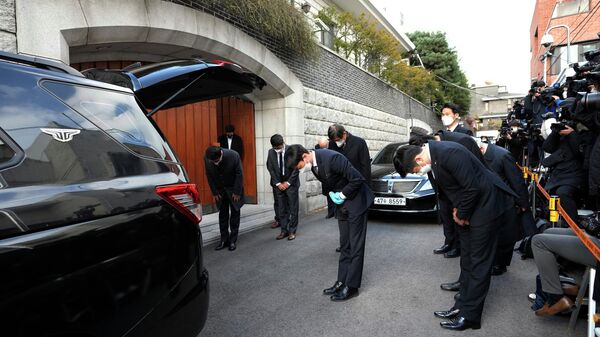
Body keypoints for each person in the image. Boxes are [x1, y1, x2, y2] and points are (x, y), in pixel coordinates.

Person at [394, 141, 516, 330]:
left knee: (478, 264)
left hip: (486, 209)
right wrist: (459, 212)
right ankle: (461, 306)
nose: (419, 172)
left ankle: (471, 317)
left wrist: (461, 214)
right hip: (469, 210)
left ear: (418, 158)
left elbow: (472, 187)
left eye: (415, 170)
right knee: (466, 259)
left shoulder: (449, 152)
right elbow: (456, 189)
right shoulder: (435, 157)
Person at [285, 145, 374, 301]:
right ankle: (341, 281)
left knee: (355, 246)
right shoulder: (314, 165)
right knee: (345, 245)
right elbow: (330, 182)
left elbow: (357, 178)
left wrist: (342, 194)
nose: (297, 169)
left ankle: (352, 287)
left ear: (305, 156)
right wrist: (333, 195)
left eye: (296, 166)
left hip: (356, 202)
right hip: (343, 206)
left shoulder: (332, 158)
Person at [480, 141, 531, 276]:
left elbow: (517, 181)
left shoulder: (503, 156)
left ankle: (500, 264)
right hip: (494, 202)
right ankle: (496, 262)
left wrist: (523, 204)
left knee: (506, 235)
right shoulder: (483, 155)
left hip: (508, 202)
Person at [328, 124, 371, 253]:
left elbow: (365, 168)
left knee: (355, 220)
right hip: (340, 189)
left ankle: (354, 246)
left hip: (356, 188)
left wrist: (366, 191)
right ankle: (344, 245)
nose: (337, 143)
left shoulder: (359, 143)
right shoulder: (332, 145)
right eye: (334, 141)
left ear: (345, 134)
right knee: (342, 220)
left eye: (338, 139)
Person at [205, 146, 244, 251]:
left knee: (235, 214)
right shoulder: (208, 158)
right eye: (213, 161)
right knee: (222, 215)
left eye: (216, 161)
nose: (215, 163)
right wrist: (214, 192)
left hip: (233, 189)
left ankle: (233, 240)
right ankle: (224, 240)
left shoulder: (233, 155)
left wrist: (237, 191)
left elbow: (239, 174)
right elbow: (209, 175)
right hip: (220, 191)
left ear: (221, 154)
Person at [266, 134, 299, 241]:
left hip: (291, 184)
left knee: (293, 208)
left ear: (283, 143)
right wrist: (278, 183)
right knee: (281, 209)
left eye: (279, 148)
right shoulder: (271, 152)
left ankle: (292, 231)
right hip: (278, 185)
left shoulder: (292, 150)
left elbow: (296, 169)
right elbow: (270, 168)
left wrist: (288, 183)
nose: (277, 150)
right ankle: (284, 230)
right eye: (275, 148)